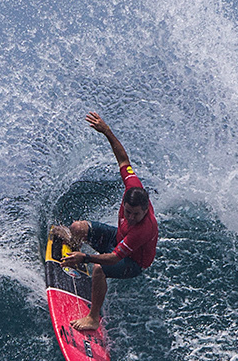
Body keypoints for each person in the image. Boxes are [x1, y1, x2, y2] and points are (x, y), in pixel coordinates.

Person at [49, 112, 158, 333]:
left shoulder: (144, 228)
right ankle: (76, 250)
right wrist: (107, 131)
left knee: (98, 268)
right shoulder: (132, 185)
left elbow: (114, 257)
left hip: (132, 262)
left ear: (146, 209)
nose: (130, 217)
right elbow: (123, 160)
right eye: (127, 212)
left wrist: (87, 258)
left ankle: (93, 317)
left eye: (136, 214)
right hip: (116, 239)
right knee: (77, 227)